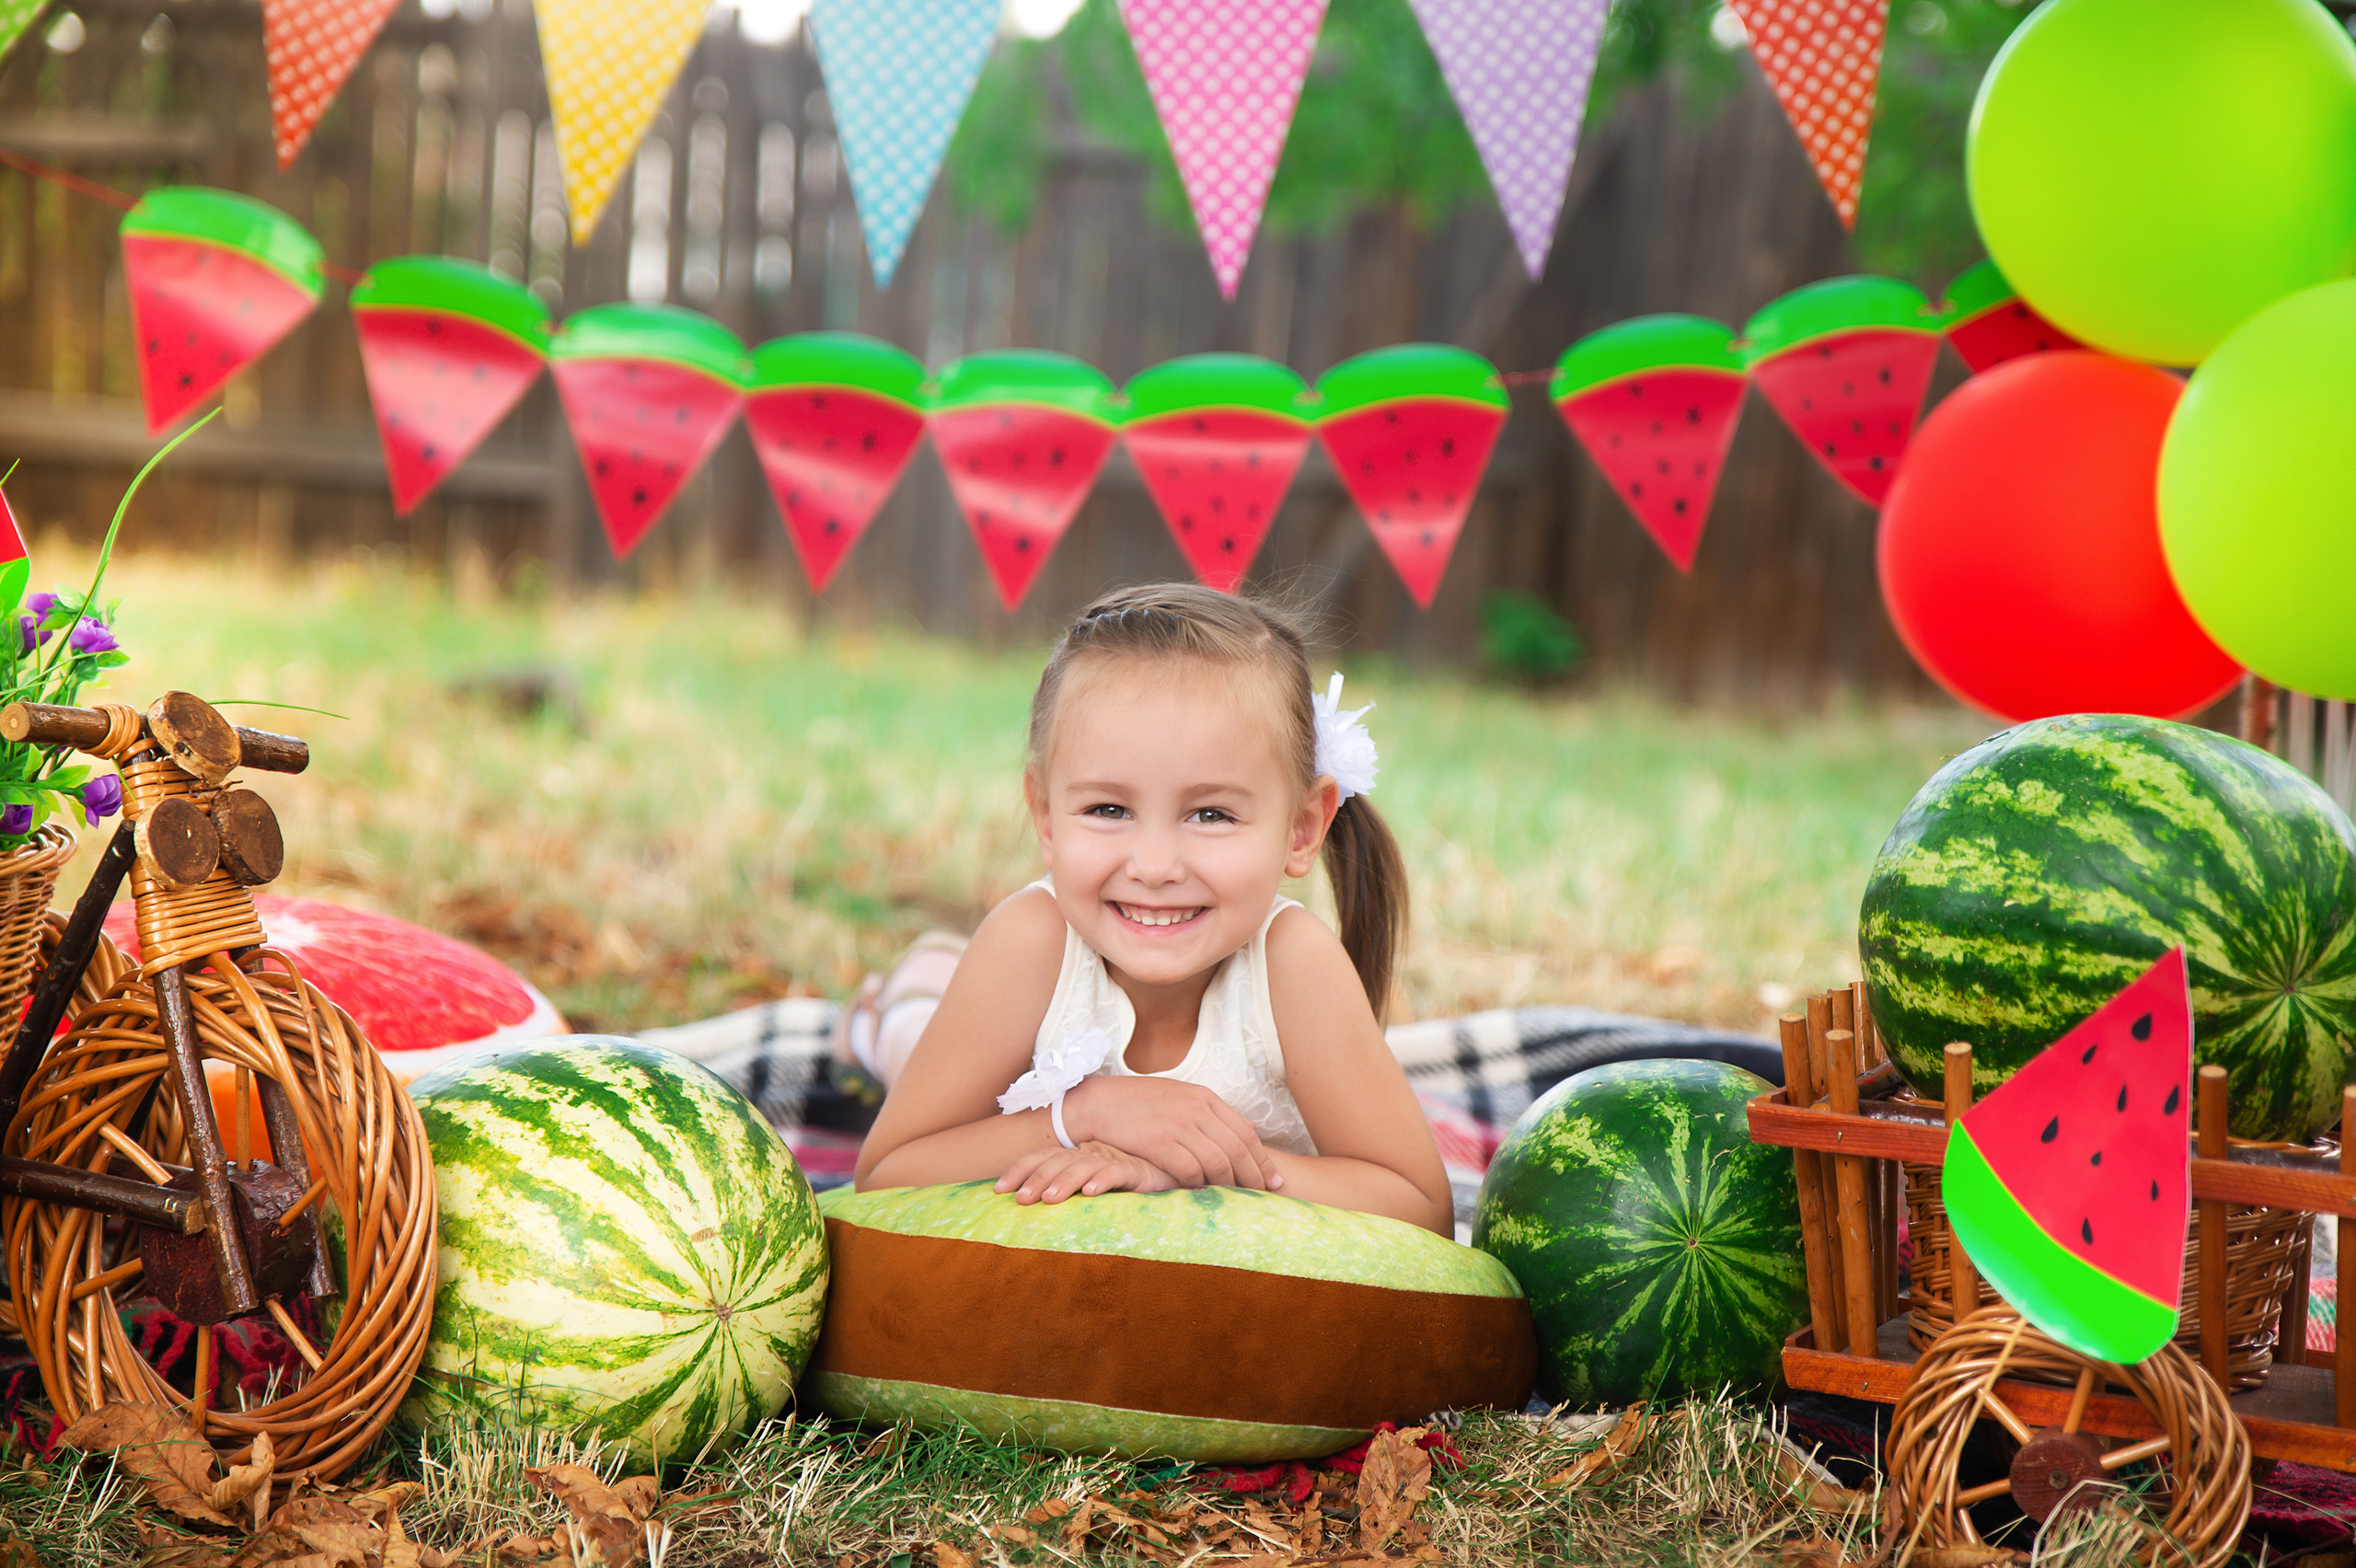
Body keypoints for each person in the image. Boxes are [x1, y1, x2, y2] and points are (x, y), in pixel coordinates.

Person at [846, 583, 1453, 1234]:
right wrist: (1083, 1116)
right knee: (911, 1041)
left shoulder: (1293, 965)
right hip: (1005, 1063)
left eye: (1211, 813)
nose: (1155, 866)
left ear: (1302, 828)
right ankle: (888, 1008)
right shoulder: (1030, 942)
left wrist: (1189, 1170)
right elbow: (886, 1172)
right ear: (1046, 817)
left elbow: (1420, 1205)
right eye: (1108, 810)